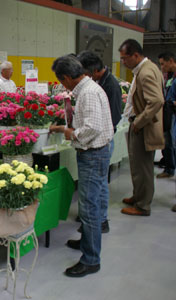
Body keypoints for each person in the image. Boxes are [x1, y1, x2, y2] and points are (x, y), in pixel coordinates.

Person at [50, 55, 113, 277]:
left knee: (89, 208)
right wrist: (63, 128)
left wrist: (71, 133)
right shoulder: (89, 88)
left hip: (93, 155)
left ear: (67, 77)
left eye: (61, 81)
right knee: (89, 205)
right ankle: (87, 242)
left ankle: (91, 259)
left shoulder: (88, 93)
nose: (62, 85)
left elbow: (92, 128)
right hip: (94, 153)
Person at [77, 51, 122, 234]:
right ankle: (94, 219)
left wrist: (74, 133)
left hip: (100, 143)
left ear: (94, 71)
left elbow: (111, 117)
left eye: (84, 73)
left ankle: (100, 220)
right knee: (97, 185)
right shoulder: (100, 83)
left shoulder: (109, 85)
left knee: (99, 185)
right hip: (101, 140)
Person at [119, 39, 165, 216]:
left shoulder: (145, 72)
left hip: (144, 127)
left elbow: (156, 101)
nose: (123, 62)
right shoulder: (147, 68)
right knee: (137, 165)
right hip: (142, 125)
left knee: (142, 167)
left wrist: (138, 122)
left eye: (125, 58)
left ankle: (142, 205)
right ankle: (138, 196)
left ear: (136, 55)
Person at [157, 52, 176, 179]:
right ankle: (168, 166)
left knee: (171, 141)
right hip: (168, 112)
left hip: (173, 112)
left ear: (171, 61)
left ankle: (170, 168)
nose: (162, 67)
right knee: (167, 141)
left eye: (163, 64)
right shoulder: (169, 76)